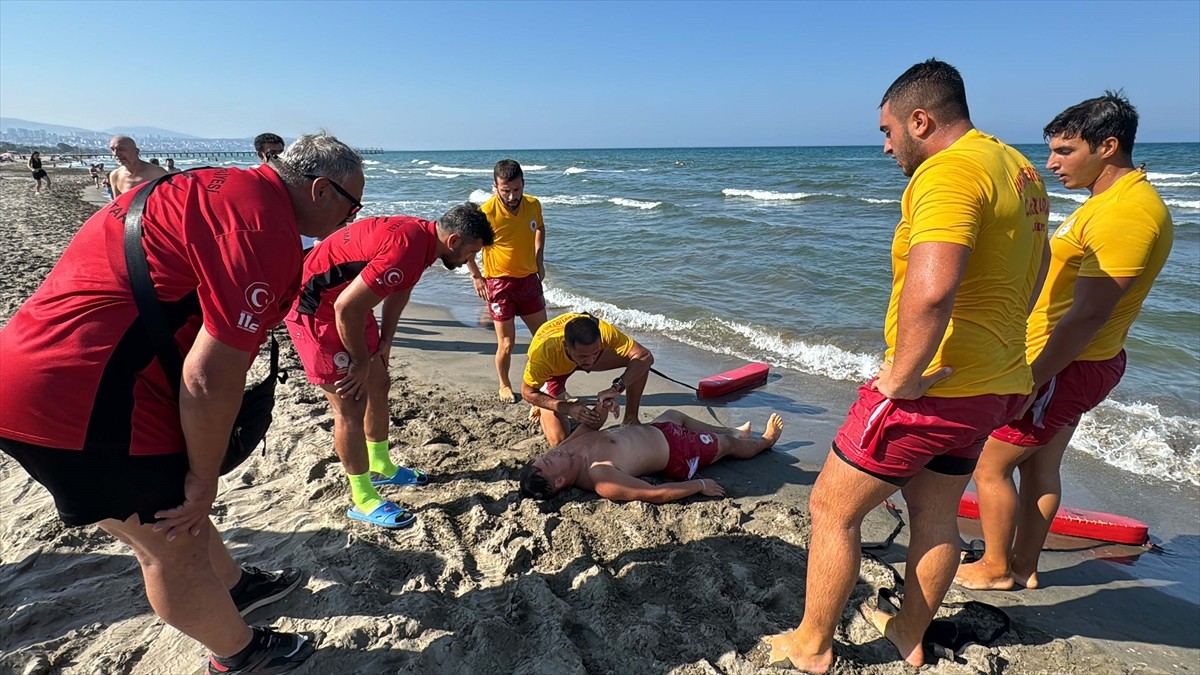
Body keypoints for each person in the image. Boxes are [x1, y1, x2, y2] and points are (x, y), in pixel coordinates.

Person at [0, 133, 366, 674]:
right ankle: (238, 656)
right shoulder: (262, 227)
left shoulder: (219, 185)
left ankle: (236, 588)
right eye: (352, 205)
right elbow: (207, 378)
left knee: (174, 511)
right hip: (82, 394)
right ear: (319, 189)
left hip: (39, 361)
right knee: (170, 541)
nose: (353, 218)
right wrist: (203, 477)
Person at [765, 59, 1048, 672]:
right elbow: (1036, 269)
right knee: (935, 511)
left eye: (888, 132)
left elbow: (932, 290)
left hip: (933, 390)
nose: (887, 147)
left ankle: (812, 645)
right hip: (992, 384)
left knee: (831, 509)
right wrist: (1007, 355)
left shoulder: (947, 172)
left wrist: (901, 376)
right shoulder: (1018, 168)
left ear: (921, 120)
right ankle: (906, 634)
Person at [955, 92, 1173, 592]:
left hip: (1065, 363)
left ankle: (995, 568)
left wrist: (1034, 376)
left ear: (1108, 147)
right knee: (1040, 467)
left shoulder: (1127, 213)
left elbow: (1088, 315)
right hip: (1075, 362)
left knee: (989, 466)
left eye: (1065, 151)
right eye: (1051, 150)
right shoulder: (1110, 202)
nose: (1051, 163)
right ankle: (1024, 566)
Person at [284, 205, 494, 529]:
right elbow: (344, 309)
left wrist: (386, 341)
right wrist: (358, 363)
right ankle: (363, 498)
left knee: (379, 382)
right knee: (349, 405)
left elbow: (400, 290)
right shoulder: (408, 247)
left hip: (350, 303)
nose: (470, 262)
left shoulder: (423, 240)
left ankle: (380, 464)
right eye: (470, 253)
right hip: (315, 309)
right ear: (454, 241)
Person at [520, 408, 783, 503]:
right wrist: (699, 485)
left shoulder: (566, 449)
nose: (550, 455)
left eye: (544, 458)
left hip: (657, 430)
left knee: (675, 415)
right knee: (725, 446)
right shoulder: (600, 477)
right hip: (679, 452)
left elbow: (591, 426)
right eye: (549, 463)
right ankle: (765, 442)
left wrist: (603, 406)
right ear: (559, 482)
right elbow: (652, 493)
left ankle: (734, 431)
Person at [465, 159, 548, 404]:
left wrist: (539, 259)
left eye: (516, 190)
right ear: (495, 187)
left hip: (529, 283)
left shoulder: (533, 205)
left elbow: (541, 228)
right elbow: (468, 248)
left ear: (523, 184)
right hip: (499, 285)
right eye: (505, 191)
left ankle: (535, 387)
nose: (512, 196)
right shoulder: (486, 213)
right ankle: (504, 384)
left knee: (542, 339)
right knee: (508, 343)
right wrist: (476, 277)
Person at [522, 312, 654, 447]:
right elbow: (527, 392)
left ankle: (631, 420)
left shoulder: (604, 331)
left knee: (639, 364)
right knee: (560, 441)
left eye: (595, 353)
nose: (590, 361)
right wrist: (566, 407)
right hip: (554, 369)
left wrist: (617, 388)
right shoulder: (544, 356)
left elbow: (644, 356)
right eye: (583, 356)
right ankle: (541, 406)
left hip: (577, 354)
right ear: (566, 346)